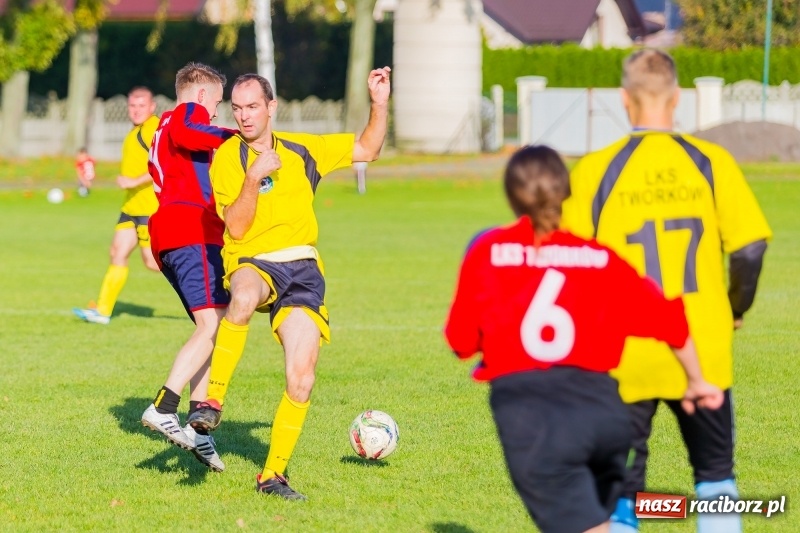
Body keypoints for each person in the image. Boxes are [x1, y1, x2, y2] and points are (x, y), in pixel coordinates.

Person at [445, 145, 724, 533]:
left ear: (510, 195)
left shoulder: (488, 252)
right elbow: (669, 319)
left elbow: (460, 340)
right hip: (605, 416)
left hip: (534, 419)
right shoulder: (600, 258)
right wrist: (697, 380)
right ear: (566, 193)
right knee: (596, 520)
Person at [561, 49, 772, 533]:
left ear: (623, 99)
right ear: (678, 99)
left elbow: (570, 265)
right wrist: (734, 306)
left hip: (623, 353)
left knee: (621, 490)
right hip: (701, 347)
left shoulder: (595, 170)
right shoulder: (711, 163)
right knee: (716, 479)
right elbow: (750, 249)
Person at [187, 67, 391, 499]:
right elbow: (237, 230)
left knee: (302, 378)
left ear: (271, 107)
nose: (243, 116)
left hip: (302, 270)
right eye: (237, 108)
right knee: (241, 296)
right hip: (251, 260)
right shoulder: (227, 158)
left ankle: (272, 476)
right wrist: (251, 177)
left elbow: (368, 148)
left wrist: (378, 102)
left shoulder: (303, 149)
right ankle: (212, 402)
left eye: (252, 107)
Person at [140, 63, 237, 472]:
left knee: (213, 326)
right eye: (216, 103)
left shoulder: (160, 125)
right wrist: (236, 136)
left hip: (175, 233)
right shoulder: (185, 114)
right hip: (190, 230)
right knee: (212, 326)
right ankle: (164, 406)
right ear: (200, 95)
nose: (215, 113)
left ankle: (200, 430)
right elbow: (189, 130)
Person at [73, 87, 161, 324]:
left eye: (141, 105)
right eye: (132, 105)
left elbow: (162, 165)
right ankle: (103, 311)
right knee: (117, 252)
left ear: (152, 107)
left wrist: (133, 180)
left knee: (153, 262)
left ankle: (208, 285)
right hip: (130, 207)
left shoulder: (153, 128)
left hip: (148, 208)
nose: (136, 110)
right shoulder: (134, 132)